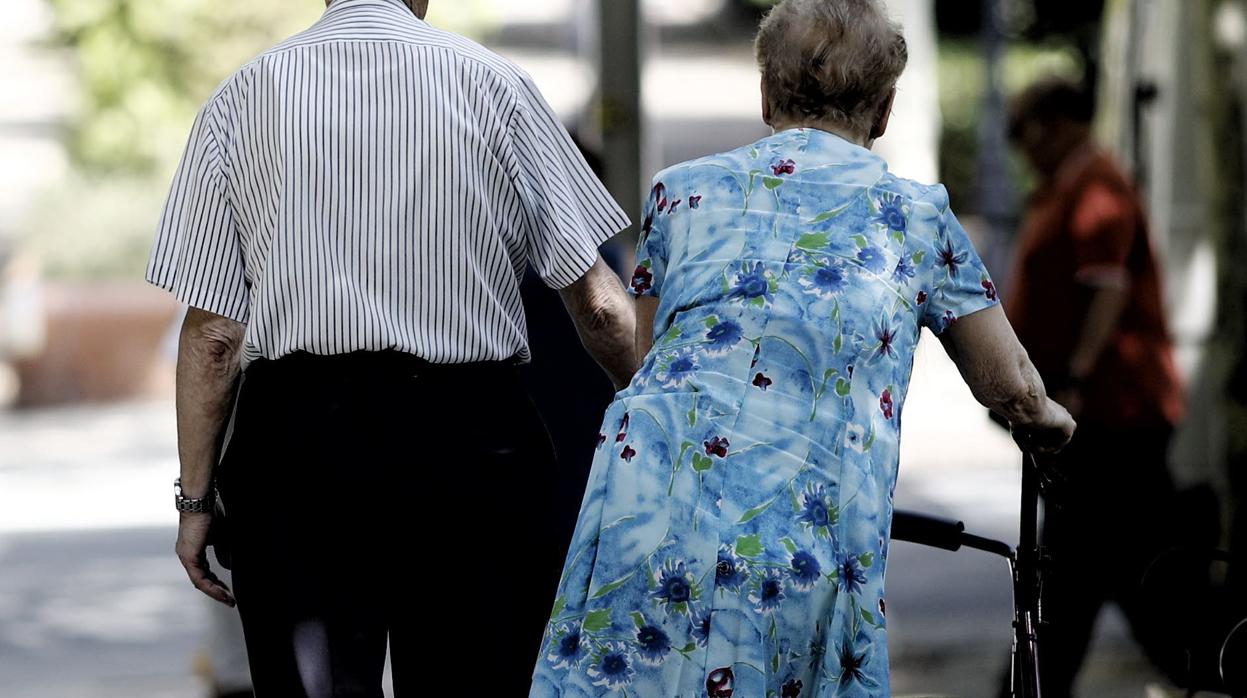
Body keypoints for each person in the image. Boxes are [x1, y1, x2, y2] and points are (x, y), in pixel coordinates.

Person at [529, 1, 1075, 695]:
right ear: (883, 112)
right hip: (803, 535)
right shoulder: (914, 216)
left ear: (765, 95)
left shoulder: (680, 195)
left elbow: (646, 355)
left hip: (648, 509)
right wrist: (1048, 421)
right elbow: (1012, 387)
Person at [146, 0, 636, 695]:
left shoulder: (242, 97)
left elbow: (216, 335)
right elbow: (598, 303)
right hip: (472, 441)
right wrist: (647, 410)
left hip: (298, 449)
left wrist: (195, 503)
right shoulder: (495, 84)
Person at [1006, 77, 1187, 694]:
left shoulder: (1096, 188)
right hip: (1096, 419)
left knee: (1111, 573)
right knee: (1095, 573)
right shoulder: (1069, 187)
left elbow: (1107, 288)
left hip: (1114, 416)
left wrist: (1073, 379)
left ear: (1057, 124)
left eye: (1021, 131)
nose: (1018, 148)